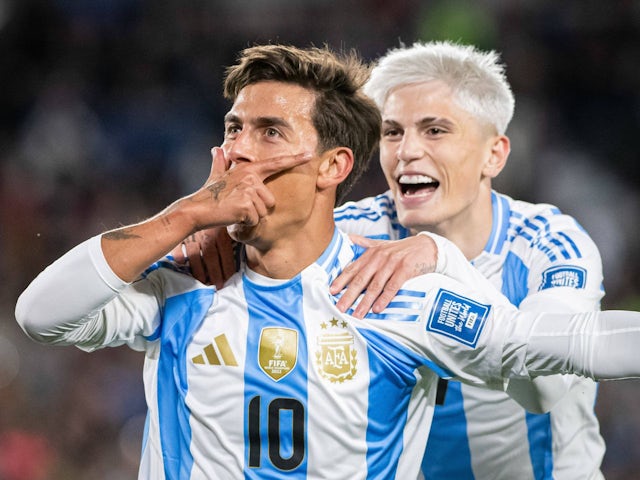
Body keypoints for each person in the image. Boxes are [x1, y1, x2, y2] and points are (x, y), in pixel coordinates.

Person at [14, 43, 640, 480]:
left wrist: (443, 257)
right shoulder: (184, 277)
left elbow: (561, 345)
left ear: (333, 167)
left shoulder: (394, 288)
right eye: (233, 129)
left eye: (270, 133)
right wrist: (180, 219)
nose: (239, 152)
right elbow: (40, 315)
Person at [178, 41, 611, 479]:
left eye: (435, 131)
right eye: (392, 132)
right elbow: (269, 242)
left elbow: (545, 388)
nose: (406, 151)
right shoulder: (355, 233)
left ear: (493, 154)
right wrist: (220, 229)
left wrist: (445, 259)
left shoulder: (550, 244)